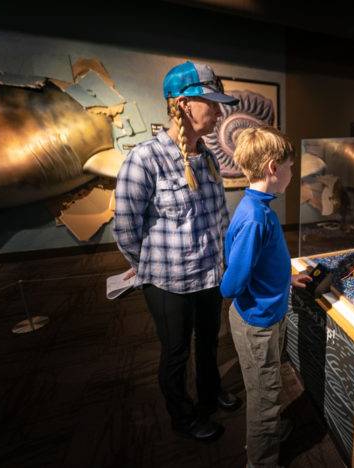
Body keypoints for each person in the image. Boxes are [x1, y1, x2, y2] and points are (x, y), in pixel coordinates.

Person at [113, 61, 240, 442]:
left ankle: (209, 391)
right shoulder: (144, 159)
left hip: (209, 275)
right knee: (175, 352)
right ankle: (182, 417)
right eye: (211, 103)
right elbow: (125, 229)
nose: (219, 112)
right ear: (182, 104)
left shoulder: (210, 157)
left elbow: (218, 218)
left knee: (209, 340)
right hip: (168, 284)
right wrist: (148, 267)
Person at [220, 126, 311, 467]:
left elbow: (265, 261)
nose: (292, 173)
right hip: (255, 323)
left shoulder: (258, 207)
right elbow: (232, 284)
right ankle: (262, 459)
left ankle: (269, 431)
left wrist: (289, 277)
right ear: (274, 168)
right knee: (265, 397)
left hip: (264, 315)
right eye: (290, 166)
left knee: (268, 385)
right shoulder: (257, 218)